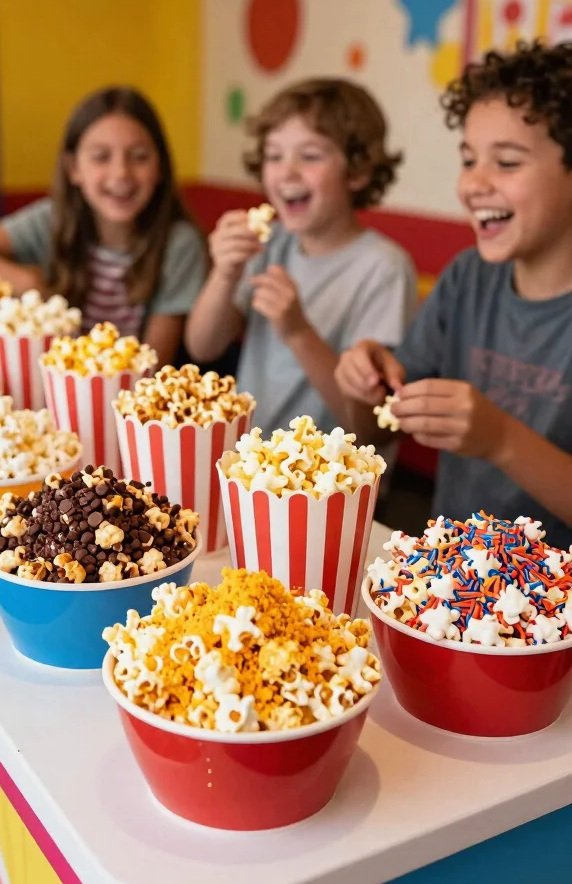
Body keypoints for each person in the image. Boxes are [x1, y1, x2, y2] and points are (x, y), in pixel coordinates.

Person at [335, 40, 572, 548]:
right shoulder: (467, 278)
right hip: (448, 579)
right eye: (468, 160)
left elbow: (499, 440)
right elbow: (379, 434)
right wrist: (368, 389)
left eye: (507, 163)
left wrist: (501, 440)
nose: (472, 185)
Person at [185, 78, 417, 434]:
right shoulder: (270, 245)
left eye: (309, 156)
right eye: (274, 155)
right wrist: (224, 273)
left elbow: (374, 429)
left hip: (334, 478)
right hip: (253, 464)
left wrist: (298, 332)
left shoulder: (384, 267)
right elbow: (202, 347)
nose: (286, 171)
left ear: (357, 171)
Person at [0, 87, 207, 366]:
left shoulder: (179, 245)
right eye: (101, 157)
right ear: (73, 169)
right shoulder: (51, 221)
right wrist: (28, 283)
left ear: (160, 169)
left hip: (131, 398)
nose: (121, 173)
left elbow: (154, 366)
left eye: (139, 156)